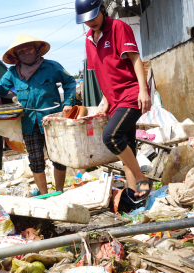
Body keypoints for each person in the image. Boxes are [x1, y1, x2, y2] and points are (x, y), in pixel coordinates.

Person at [0, 34, 76, 194]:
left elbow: (70, 81)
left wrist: (68, 102)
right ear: (16, 55)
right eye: (21, 51)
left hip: (53, 121)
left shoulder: (52, 67)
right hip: (30, 123)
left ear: (36, 49)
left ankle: (59, 191)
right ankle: (45, 196)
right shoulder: (12, 73)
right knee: (36, 160)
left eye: (29, 48)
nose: (26, 52)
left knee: (58, 158)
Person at [75, 0, 152, 201]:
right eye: (85, 20)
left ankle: (142, 178)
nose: (90, 22)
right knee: (127, 147)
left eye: (93, 16)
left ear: (102, 8)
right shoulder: (89, 39)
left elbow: (135, 58)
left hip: (131, 94)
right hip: (115, 100)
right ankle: (136, 196)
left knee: (111, 137)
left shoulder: (119, 27)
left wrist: (143, 90)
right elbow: (101, 71)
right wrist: (106, 99)